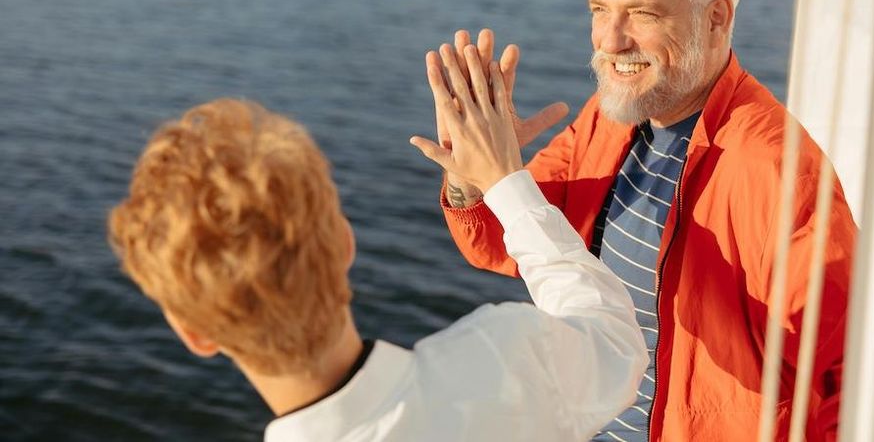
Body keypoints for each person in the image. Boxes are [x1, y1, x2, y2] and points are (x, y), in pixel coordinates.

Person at [435, 0, 857, 441]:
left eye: (642, 12)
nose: (610, 40)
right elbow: (507, 242)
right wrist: (471, 176)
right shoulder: (609, 119)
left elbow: (853, 385)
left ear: (717, 18)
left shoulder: (779, 175)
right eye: (599, 10)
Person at [107, 49, 646, 442]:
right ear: (345, 244)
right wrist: (503, 179)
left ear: (193, 333)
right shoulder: (499, 358)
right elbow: (614, 338)